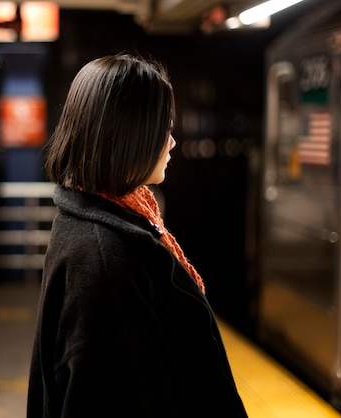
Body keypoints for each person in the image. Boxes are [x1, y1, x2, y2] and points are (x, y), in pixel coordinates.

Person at [27, 53, 248, 417]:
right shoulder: (107, 262)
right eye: (164, 129)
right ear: (130, 135)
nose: (172, 143)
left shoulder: (93, 219)